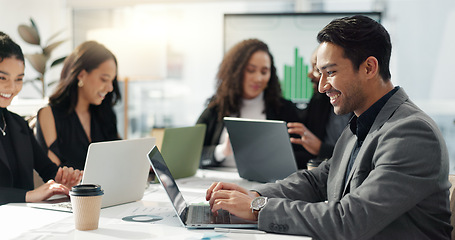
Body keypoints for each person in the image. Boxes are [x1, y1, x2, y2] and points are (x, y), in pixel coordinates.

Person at [205, 15, 452, 239]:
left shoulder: (411, 133)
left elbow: (348, 220)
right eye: (320, 73)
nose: (322, 86)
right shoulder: (361, 123)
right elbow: (318, 180)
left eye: (330, 72)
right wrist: (254, 196)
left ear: (369, 67)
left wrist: (257, 209)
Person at [0, 31, 82, 205]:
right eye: (2, 78)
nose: (12, 87)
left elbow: (47, 170)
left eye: (19, 79)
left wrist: (63, 180)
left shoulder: (18, 124)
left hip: (29, 221)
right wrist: (28, 196)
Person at [196, 39, 303, 168]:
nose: (258, 78)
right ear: (236, 72)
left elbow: (302, 157)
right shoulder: (216, 107)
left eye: (264, 72)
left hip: (266, 185)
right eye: (251, 70)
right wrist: (222, 151)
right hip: (219, 182)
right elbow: (192, 155)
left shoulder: (284, 109)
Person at [36, 41, 121, 170]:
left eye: (112, 81)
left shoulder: (105, 115)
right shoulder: (49, 115)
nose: (110, 88)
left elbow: (121, 158)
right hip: (68, 190)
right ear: (81, 74)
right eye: (104, 79)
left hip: (109, 189)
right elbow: (52, 174)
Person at [287, 47, 351, 167]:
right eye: (318, 71)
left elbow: (355, 158)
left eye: (328, 72)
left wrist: (321, 149)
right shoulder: (320, 101)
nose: (310, 74)